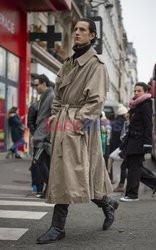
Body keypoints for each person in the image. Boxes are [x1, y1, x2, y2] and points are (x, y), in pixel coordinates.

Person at [36, 18, 119, 244]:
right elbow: (58, 93)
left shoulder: (96, 64)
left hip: (79, 126)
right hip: (64, 121)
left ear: (92, 35)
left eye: (82, 30)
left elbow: (95, 101)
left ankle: (57, 227)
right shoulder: (69, 62)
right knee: (75, 174)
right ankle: (107, 203)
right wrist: (55, 116)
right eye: (75, 29)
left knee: (72, 174)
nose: (77, 33)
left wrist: (75, 124)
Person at [120, 82, 156, 202]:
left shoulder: (145, 106)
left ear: (145, 92)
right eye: (135, 91)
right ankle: (154, 182)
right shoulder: (135, 106)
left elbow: (148, 126)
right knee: (133, 166)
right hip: (132, 141)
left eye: (139, 91)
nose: (136, 93)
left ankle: (132, 195)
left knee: (134, 168)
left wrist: (147, 144)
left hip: (139, 142)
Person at [32, 74, 54, 198]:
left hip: (45, 138)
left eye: (36, 85)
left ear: (44, 84)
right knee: (45, 163)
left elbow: (54, 115)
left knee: (38, 160)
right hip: (41, 135)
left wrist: (48, 135)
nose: (35, 87)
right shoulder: (45, 96)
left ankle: (51, 188)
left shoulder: (51, 96)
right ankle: (48, 190)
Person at [109, 104, 128, 184]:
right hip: (120, 146)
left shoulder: (115, 121)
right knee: (124, 165)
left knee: (112, 163)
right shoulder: (123, 122)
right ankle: (121, 182)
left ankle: (111, 179)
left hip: (113, 145)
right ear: (124, 113)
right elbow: (122, 135)